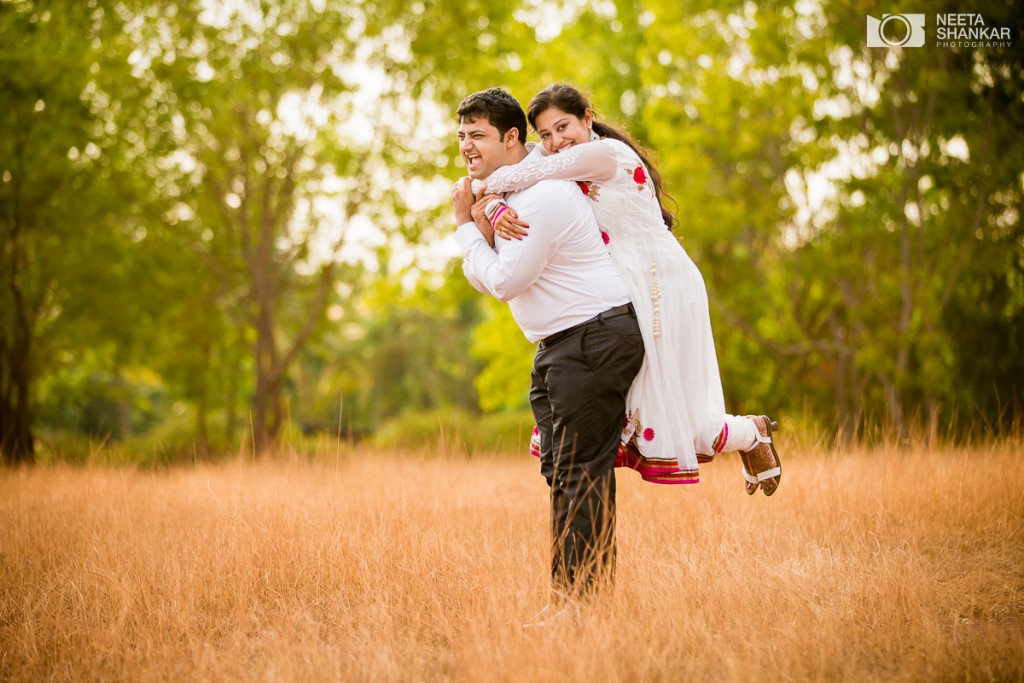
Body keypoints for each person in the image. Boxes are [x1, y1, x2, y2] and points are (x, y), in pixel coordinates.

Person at [476, 83, 782, 496]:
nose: (554, 141)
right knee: (647, 412)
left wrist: (490, 201)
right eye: (545, 134)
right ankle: (750, 433)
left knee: (673, 413)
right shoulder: (562, 160)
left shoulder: (606, 155)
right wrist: (492, 201)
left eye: (562, 126)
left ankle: (752, 433)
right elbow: (520, 170)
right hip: (628, 289)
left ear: (587, 116)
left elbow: (515, 172)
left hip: (662, 286)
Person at [450, 88, 645, 624]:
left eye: (478, 135)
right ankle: (578, 602)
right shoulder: (518, 194)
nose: (466, 145)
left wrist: (467, 226)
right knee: (566, 474)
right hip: (561, 346)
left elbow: (508, 279)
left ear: (511, 138)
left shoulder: (546, 197)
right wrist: (486, 206)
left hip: (594, 339)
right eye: (461, 135)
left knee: (580, 473)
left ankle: (577, 606)